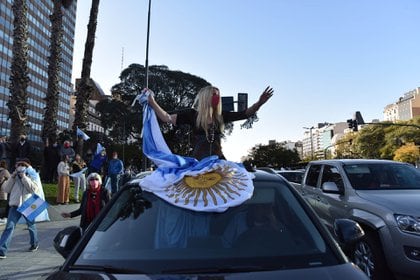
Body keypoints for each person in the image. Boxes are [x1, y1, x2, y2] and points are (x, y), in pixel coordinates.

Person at [146, 85, 273, 160]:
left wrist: (260, 103)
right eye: (213, 94)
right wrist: (152, 102)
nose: (216, 97)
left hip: (219, 161)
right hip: (198, 163)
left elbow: (245, 113)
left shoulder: (221, 115)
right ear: (205, 97)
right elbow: (167, 117)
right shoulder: (192, 115)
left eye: (218, 95)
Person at [0, 158, 39, 259]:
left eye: (22, 165)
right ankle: (2, 250)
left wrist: (24, 177)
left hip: (28, 204)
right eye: (18, 165)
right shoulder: (14, 175)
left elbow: (33, 189)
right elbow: (6, 189)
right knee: (9, 227)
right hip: (15, 205)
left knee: (31, 226)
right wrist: (12, 177)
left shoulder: (31, 174)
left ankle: (34, 244)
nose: (19, 167)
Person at [0, 160, 11, 224]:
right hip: (2, 190)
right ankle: (4, 216)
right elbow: (10, 178)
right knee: (5, 203)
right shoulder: (5, 171)